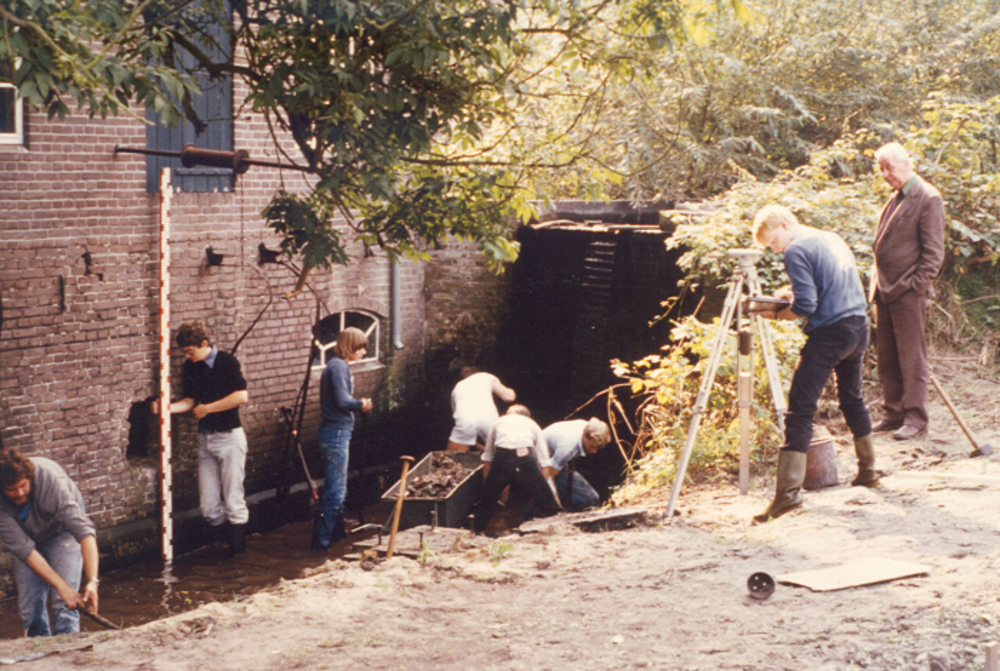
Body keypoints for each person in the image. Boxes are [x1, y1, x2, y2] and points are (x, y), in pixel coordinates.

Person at [751, 205, 876, 523]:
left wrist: (775, 313)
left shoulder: (796, 249)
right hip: (858, 327)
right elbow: (830, 284)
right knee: (852, 397)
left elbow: (806, 305)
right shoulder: (829, 238)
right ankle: (868, 470)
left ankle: (788, 495)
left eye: (773, 241)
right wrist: (791, 293)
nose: (775, 249)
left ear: (784, 225)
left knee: (800, 409)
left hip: (830, 334)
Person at [870, 142, 946, 441]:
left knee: (912, 358)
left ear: (906, 164)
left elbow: (933, 254)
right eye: (881, 169)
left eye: (889, 167)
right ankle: (893, 413)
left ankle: (916, 418)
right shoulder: (896, 196)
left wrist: (916, 287)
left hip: (907, 292)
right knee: (887, 356)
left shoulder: (928, 197)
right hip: (884, 290)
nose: (885, 174)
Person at [156, 321, 250, 556]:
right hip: (206, 440)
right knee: (208, 507)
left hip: (230, 438)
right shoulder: (191, 367)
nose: (187, 356)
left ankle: (236, 554)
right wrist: (166, 408)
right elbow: (190, 401)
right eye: (184, 352)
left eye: (190, 351)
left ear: (204, 343)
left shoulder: (227, 362)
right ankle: (224, 542)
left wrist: (208, 408)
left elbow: (241, 396)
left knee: (233, 499)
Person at [0, 448, 99, 637]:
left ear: (29, 478)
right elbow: (25, 551)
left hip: (61, 531)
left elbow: (84, 532)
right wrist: (61, 586)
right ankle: (39, 648)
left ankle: (69, 648)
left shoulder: (49, 481)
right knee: (30, 609)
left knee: (66, 604)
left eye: (23, 486)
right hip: (26, 536)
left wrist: (92, 581)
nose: (19, 493)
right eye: (11, 490)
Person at [310, 327, 372, 551]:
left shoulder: (337, 366)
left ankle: (337, 539)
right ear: (350, 346)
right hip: (336, 433)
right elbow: (343, 401)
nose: (364, 352)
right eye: (361, 347)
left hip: (336, 432)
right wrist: (362, 403)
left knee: (339, 490)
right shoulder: (338, 367)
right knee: (335, 492)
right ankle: (320, 545)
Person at [472, 405, 562, 534]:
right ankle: (558, 526)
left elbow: (487, 458)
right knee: (548, 502)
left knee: (487, 500)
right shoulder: (532, 424)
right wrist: (540, 488)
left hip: (501, 455)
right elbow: (545, 462)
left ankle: (477, 531)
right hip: (523, 457)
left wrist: (489, 484)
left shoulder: (499, 421)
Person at [540, 418, 612, 511]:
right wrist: (557, 509)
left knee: (591, 498)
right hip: (542, 462)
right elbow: (550, 476)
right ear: (584, 435)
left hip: (556, 458)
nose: (594, 451)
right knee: (588, 499)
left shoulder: (590, 428)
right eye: (591, 446)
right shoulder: (568, 446)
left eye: (597, 448)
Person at [446, 367, 516, 452]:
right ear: (477, 372)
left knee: (452, 457)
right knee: (501, 454)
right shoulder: (485, 376)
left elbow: (466, 429)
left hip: (466, 419)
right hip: (489, 418)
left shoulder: (457, 388)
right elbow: (509, 397)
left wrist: (485, 451)